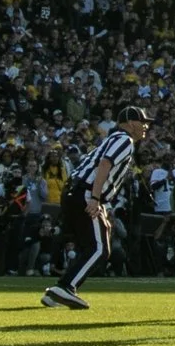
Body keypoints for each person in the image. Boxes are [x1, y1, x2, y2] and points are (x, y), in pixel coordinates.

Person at [41, 106, 147, 311]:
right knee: (99, 248)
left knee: (87, 245)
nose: (145, 127)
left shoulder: (112, 138)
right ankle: (66, 287)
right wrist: (96, 198)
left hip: (74, 191)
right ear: (131, 123)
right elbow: (105, 164)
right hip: (86, 193)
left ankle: (55, 294)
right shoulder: (124, 140)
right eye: (143, 122)